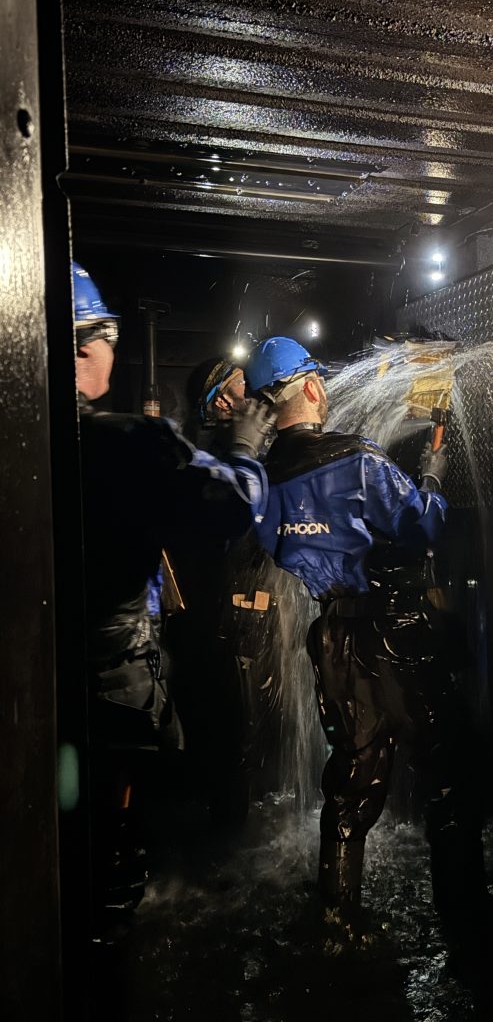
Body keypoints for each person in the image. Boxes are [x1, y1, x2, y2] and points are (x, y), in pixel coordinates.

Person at [245, 335, 487, 939]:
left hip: (332, 638)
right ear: (308, 386)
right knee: (449, 772)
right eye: (319, 380)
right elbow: (420, 526)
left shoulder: (259, 483)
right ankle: (467, 915)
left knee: (352, 783)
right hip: (396, 630)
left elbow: (283, 543)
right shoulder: (357, 459)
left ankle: (338, 917)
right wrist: (433, 474)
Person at [71, 262, 274, 918]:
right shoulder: (132, 443)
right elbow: (223, 506)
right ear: (83, 344)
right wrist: (246, 452)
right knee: (113, 851)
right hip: (114, 691)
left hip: (62, 696)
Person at [165, 357, 281, 826]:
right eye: (242, 391)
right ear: (220, 403)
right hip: (225, 627)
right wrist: (245, 451)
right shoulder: (205, 460)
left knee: (255, 739)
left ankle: (244, 827)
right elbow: (234, 522)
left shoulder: (246, 455)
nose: (254, 401)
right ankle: (226, 843)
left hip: (254, 622)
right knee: (233, 738)